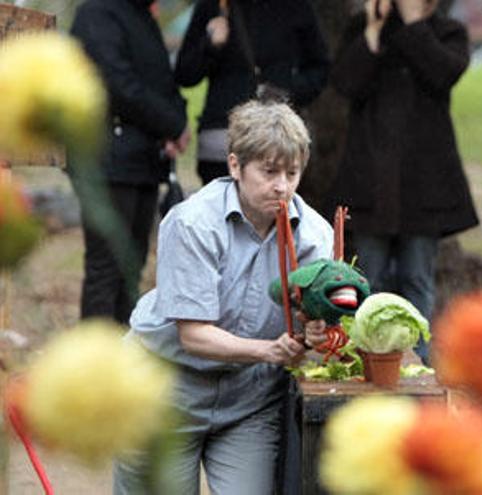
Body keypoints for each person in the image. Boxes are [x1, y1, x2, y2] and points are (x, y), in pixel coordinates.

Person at [114, 100, 333, 493]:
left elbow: (314, 325)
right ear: (234, 166)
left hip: (248, 402)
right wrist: (270, 350)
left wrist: (315, 332)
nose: (282, 185)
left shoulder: (315, 237)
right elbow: (193, 335)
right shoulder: (192, 223)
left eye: (292, 172)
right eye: (269, 171)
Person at [329, 0, 479, 362]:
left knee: (417, 279)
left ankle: (419, 364)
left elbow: (442, 74)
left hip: (424, 183)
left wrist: (414, 24)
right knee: (369, 281)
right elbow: (346, 82)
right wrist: (373, 32)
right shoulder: (365, 27)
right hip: (371, 180)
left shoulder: (448, 32)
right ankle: (369, 360)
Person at [69, 0, 190, 325]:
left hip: (144, 161)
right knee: (105, 267)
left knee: (130, 265)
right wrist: (171, 123)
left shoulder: (141, 16)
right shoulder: (97, 13)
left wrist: (177, 118)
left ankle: (122, 353)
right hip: (104, 159)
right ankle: (94, 363)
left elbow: (161, 81)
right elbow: (117, 83)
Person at [175, 0, 330, 185]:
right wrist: (209, 44)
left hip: (275, 136)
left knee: (271, 205)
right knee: (220, 209)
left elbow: (319, 66)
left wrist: (287, 92)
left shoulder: (295, 6)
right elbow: (185, 73)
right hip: (221, 140)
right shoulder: (215, 5)